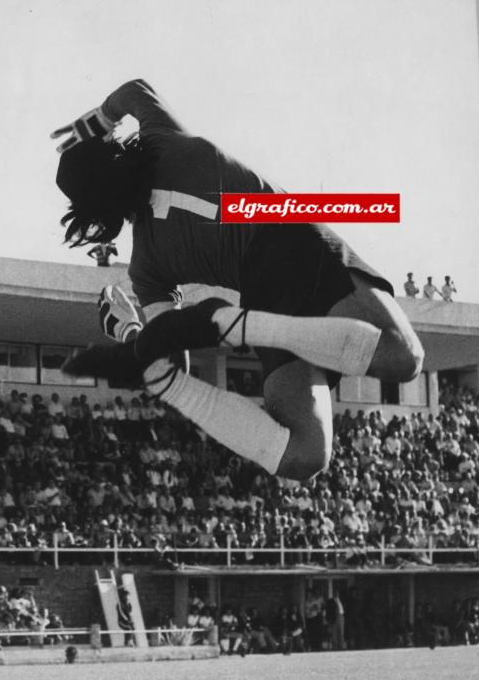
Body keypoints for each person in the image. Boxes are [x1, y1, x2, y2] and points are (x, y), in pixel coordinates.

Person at [52, 79, 424, 483]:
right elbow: (135, 90)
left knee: (304, 456)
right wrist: (93, 122)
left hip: (285, 261)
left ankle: (240, 324)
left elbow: (173, 362)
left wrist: (132, 335)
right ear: (115, 150)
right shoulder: (161, 142)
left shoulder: (148, 262)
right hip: (289, 254)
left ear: (92, 215)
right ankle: (242, 324)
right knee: (401, 362)